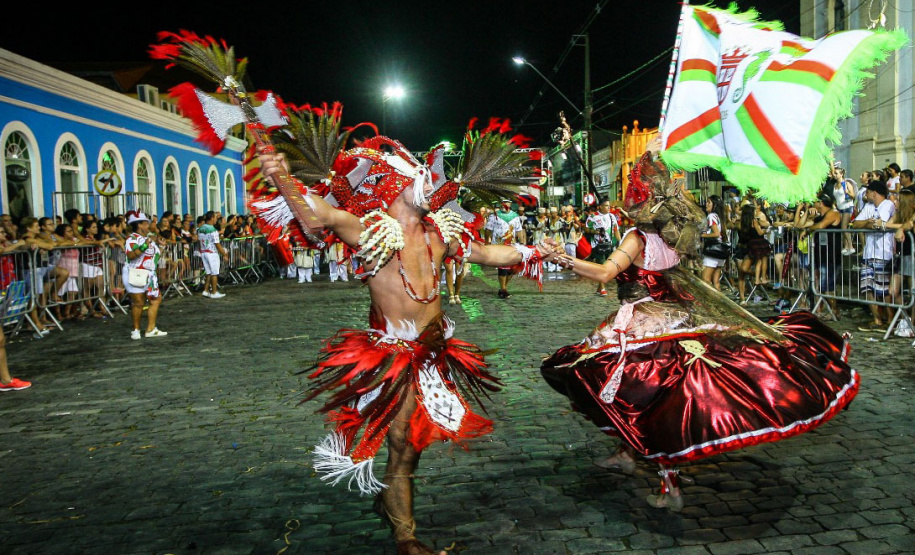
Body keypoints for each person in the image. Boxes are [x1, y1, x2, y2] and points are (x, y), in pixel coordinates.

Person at [257, 120, 546, 555]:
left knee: (412, 446)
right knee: (402, 444)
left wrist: (534, 251)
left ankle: (392, 506)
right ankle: (405, 539)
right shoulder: (369, 230)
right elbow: (319, 214)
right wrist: (281, 175)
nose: (429, 182)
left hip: (433, 354)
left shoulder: (438, 233)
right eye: (417, 177)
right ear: (394, 187)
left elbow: (488, 253)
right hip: (393, 355)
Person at [539, 139, 859, 511]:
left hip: (641, 325)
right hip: (676, 319)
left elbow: (605, 273)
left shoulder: (636, 238)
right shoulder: (673, 237)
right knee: (647, 394)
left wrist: (561, 259)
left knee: (638, 398)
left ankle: (669, 485)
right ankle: (626, 454)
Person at [852, 180, 896, 331]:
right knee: (867, 286)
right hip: (868, 252)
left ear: (874, 193)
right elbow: (855, 224)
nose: (866, 195)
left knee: (883, 288)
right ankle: (877, 319)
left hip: (883, 252)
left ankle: (890, 318)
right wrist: (867, 222)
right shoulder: (868, 206)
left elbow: (879, 225)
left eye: (868, 192)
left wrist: (869, 224)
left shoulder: (888, 205)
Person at [123, 211, 167, 340]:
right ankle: (136, 330)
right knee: (138, 302)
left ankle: (151, 328)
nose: (149, 225)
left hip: (149, 274)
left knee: (156, 299)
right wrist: (144, 246)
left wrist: (161, 247)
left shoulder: (148, 239)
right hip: (136, 272)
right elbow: (131, 255)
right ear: (139, 225)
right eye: (146, 223)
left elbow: (154, 257)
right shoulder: (132, 239)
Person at [801, 193, 842, 319]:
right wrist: (807, 214)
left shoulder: (833, 213)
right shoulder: (819, 216)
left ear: (821, 203)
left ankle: (835, 310)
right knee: (819, 284)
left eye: (815, 202)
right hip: (820, 253)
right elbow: (800, 225)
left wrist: (809, 230)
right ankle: (827, 310)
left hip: (831, 254)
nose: (813, 204)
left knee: (827, 285)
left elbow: (820, 226)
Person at [484, 200, 523, 298]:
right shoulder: (494, 216)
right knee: (503, 268)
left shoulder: (515, 216)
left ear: (510, 204)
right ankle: (503, 289)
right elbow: (488, 229)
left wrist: (522, 242)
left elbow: (519, 230)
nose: (505, 204)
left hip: (512, 245)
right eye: (503, 202)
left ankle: (503, 288)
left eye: (507, 202)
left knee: (513, 269)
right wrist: (487, 242)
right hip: (499, 245)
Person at [586, 199, 622, 296]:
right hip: (598, 245)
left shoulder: (612, 216)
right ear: (600, 206)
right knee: (601, 266)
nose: (608, 207)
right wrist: (595, 232)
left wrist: (620, 241)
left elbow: (616, 230)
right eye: (606, 206)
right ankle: (602, 288)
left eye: (609, 206)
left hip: (609, 244)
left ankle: (599, 287)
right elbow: (586, 229)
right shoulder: (593, 217)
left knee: (610, 266)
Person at [700, 195, 728, 291]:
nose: (706, 204)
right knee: (716, 282)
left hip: (712, 252)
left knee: (705, 280)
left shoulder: (711, 216)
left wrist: (702, 235)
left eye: (709, 202)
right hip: (720, 252)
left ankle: (709, 299)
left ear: (714, 205)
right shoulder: (719, 217)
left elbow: (716, 233)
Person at [198, 211, 227, 298]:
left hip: (204, 252)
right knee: (214, 272)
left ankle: (205, 290)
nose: (216, 220)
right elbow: (217, 244)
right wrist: (224, 254)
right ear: (212, 218)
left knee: (208, 272)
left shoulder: (201, 228)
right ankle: (214, 292)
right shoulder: (213, 230)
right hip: (212, 253)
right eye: (215, 218)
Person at [832, 167, 858, 255]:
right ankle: (846, 246)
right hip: (840, 207)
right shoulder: (835, 185)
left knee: (844, 227)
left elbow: (853, 196)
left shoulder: (847, 184)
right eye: (834, 173)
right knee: (842, 228)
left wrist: (847, 192)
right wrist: (834, 205)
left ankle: (851, 246)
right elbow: (836, 198)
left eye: (836, 173)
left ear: (841, 174)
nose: (835, 175)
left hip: (847, 207)